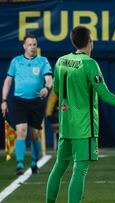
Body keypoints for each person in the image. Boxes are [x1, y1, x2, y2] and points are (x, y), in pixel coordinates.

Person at [45, 25, 115, 203]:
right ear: (90, 41)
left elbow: (57, 90)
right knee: (79, 170)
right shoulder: (89, 64)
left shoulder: (61, 61)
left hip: (66, 125)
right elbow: (104, 94)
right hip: (84, 126)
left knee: (59, 166)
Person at [1, 34, 53, 175]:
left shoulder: (43, 61)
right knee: (21, 131)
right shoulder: (16, 61)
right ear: (24, 46)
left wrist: (46, 88)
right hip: (19, 102)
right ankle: (19, 165)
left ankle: (35, 162)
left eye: (34, 44)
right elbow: (8, 81)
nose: (32, 47)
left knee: (35, 134)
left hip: (36, 102)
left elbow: (49, 78)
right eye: (29, 44)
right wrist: (4, 100)